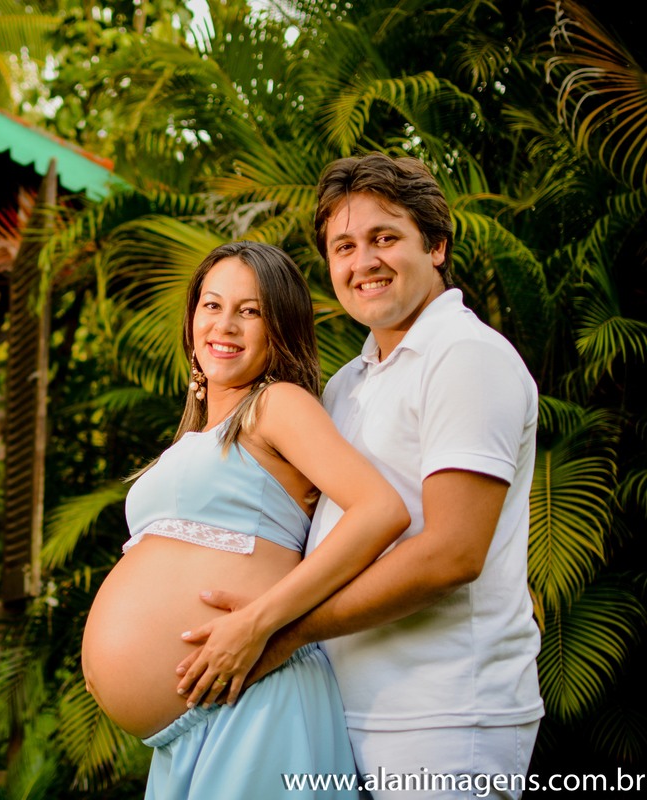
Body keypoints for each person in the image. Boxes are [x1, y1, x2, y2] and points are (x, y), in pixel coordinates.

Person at [175, 154, 543, 798]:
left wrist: (279, 630)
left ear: (436, 246)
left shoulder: (466, 357)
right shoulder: (349, 385)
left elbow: (452, 553)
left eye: (384, 238)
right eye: (343, 246)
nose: (362, 262)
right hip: (347, 713)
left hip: (446, 716)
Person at [81, 241, 409, 799]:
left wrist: (257, 624)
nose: (225, 324)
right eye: (211, 305)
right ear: (191, 321)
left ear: (278, 326)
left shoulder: (276, 403)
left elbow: (380, 510)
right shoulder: (199, 435)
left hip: (256, 697)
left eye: (249, 310)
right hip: (198, 726)